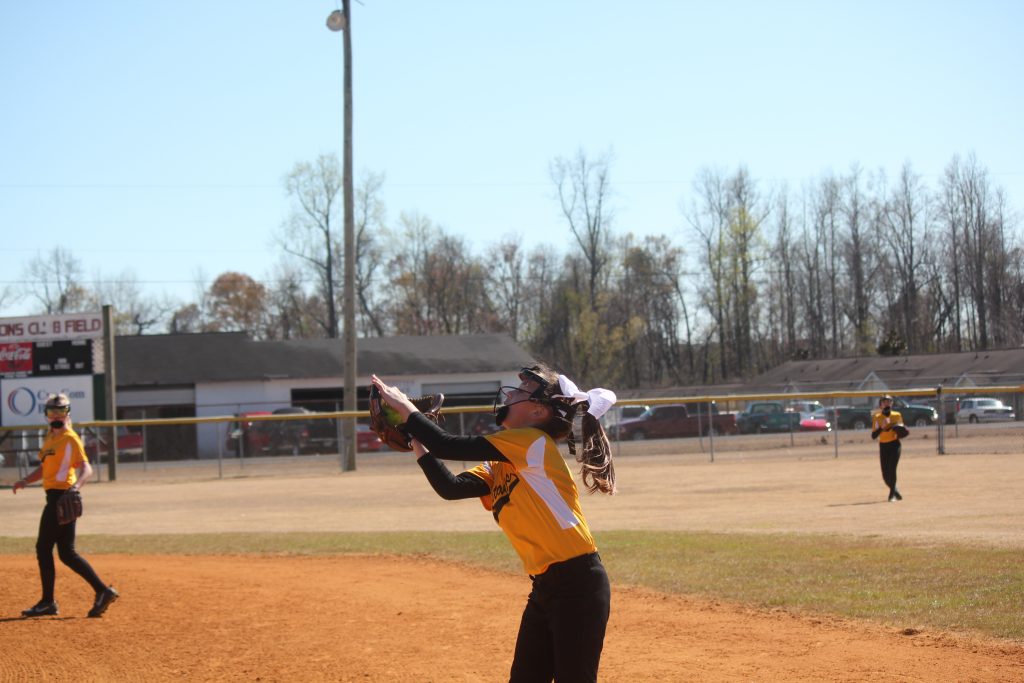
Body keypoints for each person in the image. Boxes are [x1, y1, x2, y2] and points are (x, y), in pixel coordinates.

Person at [371, 363, 617, 683]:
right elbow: (451, 488)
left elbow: (448, 445)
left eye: (521, 392)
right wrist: (414, 438)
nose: (510, 394)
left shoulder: (532, 444)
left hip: (579, 583)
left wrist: (404, 407)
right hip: (545, 585)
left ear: (537, 412)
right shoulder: (501, 462)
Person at [12, 393, 120, 618]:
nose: (56, 415)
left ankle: (47, 602)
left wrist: (76, 487)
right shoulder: (50, 438)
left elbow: (86, 468)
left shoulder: (70, 438)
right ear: (46, 415)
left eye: (61, 411)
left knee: (43, 549)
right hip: (55, 496)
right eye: (52, 411)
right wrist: (24, 481)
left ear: (67, 413)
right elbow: (44, 469)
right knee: (67, 554)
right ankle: (102, 591)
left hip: (62, 498)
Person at [871, 394, 906, 502]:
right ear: (880, 405)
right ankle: (895, 490)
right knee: (885, 474)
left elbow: (902, 431)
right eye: (884, 402)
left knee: (892, 469)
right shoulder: (877, 417)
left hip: (894, 444)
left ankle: (892, 495)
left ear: (892, 404)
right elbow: (874, 436)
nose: (887, 404)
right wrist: (882, 427)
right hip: (883, 445)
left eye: (889, 402)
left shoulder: (897, 415)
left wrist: (899, 432)